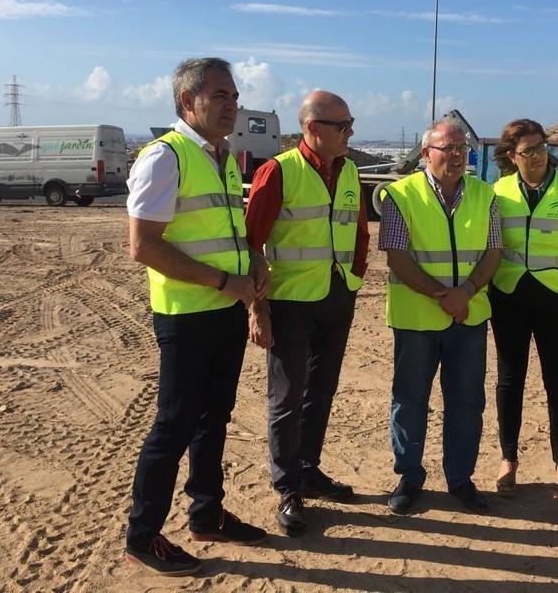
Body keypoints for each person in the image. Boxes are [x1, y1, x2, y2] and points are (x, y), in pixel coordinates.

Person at [124, 57, 269, 576]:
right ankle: (142, 536)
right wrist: (224, 281)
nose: (232, 106)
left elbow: (223, 231)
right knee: (174, 425)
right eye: (220, 96)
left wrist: (250, 261)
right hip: (187, 316)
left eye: (235, 97)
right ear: (188, 101)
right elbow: (143, 246)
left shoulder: (222, 157)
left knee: (214, 418)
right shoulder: (166, 157)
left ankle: (207, 514)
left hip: (226, 310)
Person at [245, 90, 369, 537]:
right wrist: (257, 308)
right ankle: (287, 487)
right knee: (286, 398)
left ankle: (308, 469)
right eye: (343, 125)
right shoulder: (278, 171)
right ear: (313, 128)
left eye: (351, 124)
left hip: (337, 296)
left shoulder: (349, 170)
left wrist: (354, 277)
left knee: (321, 390)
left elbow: (359, 232)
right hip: (290, 302)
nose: (350, 132)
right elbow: (251, 244)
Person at [379, 118, 501, 515]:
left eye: (462, 148)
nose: (457, 155)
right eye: (448, 148)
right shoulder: (401, 195)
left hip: (468, 319)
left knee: (467, 402)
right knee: (410, 400)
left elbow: (493, 252)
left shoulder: (485, 194)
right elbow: (397, 257)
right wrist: (443, 296)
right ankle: (409, 476)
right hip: (416, 320)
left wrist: (466, 292)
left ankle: (460, 479)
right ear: (426, 153)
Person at [489, 119, 558, 503]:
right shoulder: (499, 191)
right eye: (528, 151)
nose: (537, 156)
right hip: (509, 297)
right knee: (509, 381)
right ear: (511, 156)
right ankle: (508, 460)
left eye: (541, 147)